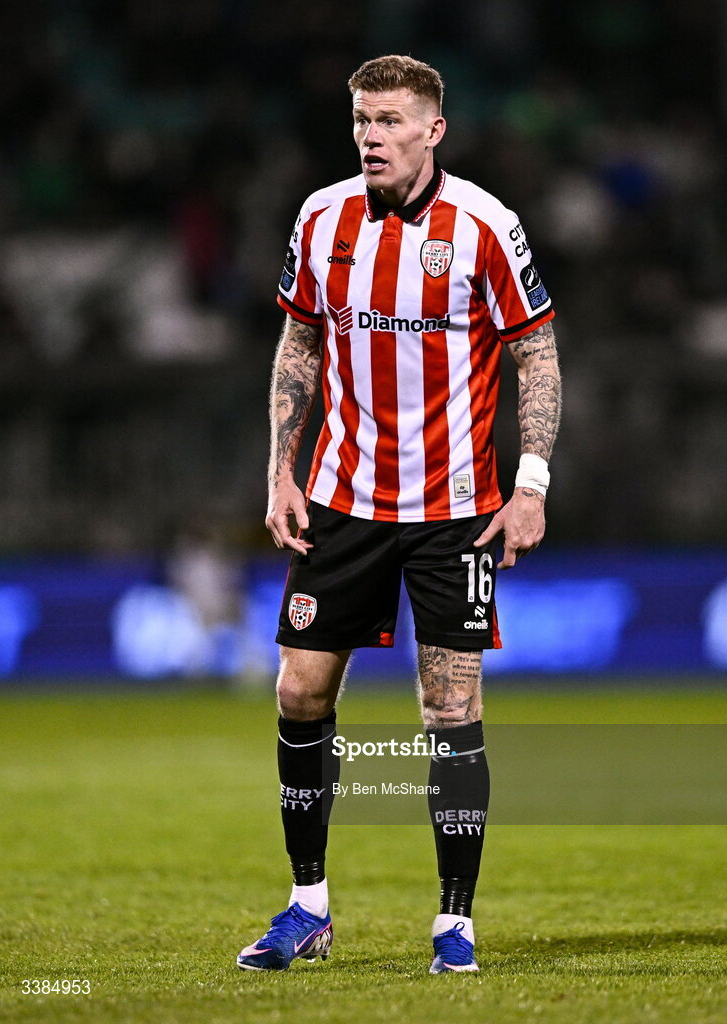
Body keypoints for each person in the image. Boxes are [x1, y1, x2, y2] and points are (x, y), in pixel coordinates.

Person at [237, 54, 561, 975]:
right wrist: (280, 470)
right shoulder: (320, 216)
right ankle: (308, 906)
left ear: (432, 130)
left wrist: (530, 484)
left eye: (388, 121)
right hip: (341, 500)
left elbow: (536, 355)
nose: (370, 137)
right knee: (299, 692)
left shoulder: (485, 225)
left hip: (455, 511)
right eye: (360, 120)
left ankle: (454, 922)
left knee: (449, 708)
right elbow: (299, 341)